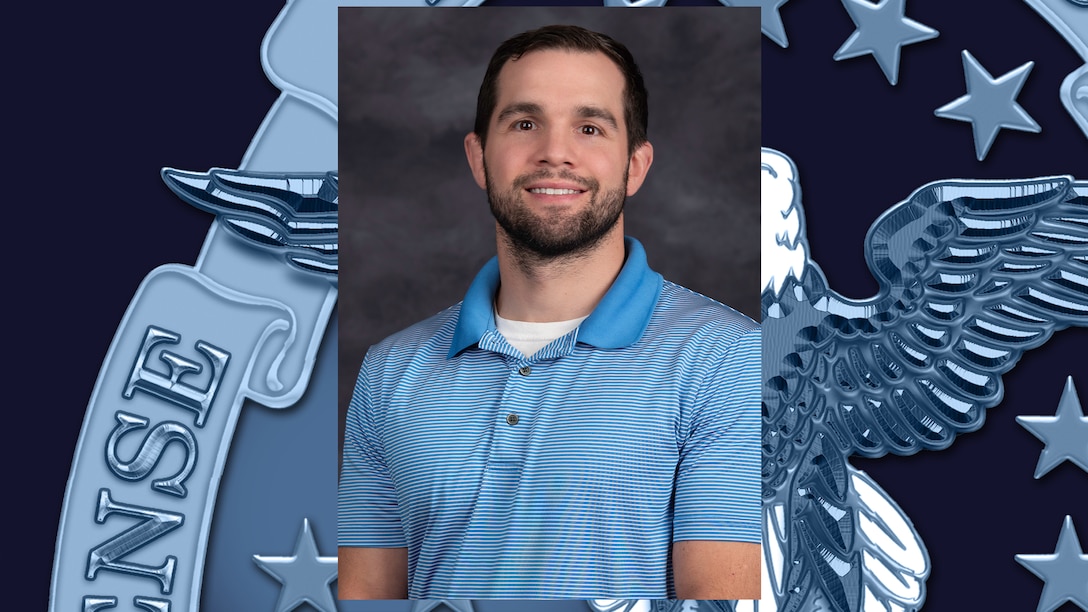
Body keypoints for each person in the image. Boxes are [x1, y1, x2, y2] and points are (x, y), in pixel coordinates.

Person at [338, 24, 760, 600]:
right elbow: (365, 596)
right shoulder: (390, 369)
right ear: (479, 157)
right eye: (524, 123)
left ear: (635, 167)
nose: (554, 152)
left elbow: (724, 599)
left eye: (589, 127)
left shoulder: (730, 358)